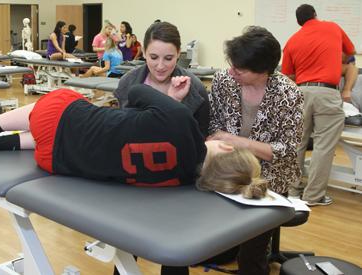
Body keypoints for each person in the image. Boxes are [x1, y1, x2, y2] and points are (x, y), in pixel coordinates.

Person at [0, 82, 266, 199]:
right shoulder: (182, 181)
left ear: (226, 146)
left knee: (64, 99)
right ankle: (4, 144)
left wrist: (171, 99)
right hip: (55, 161)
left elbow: (136, 94)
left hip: (56, 121)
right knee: (66, 133)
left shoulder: (182, 120)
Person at [208, 26, 304, 275]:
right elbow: (213, 126)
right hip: (228, 172)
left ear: (263, 71)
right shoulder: (223, 81)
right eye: (231, 64)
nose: (232, 72)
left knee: (252, 256)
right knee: (218, 238)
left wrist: (236, 141)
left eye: (239, 70)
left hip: (270, 178)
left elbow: (286, 151)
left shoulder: (289, 94)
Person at [282, 4, 356, 206]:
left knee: (298, 143)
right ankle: (313, 196)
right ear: (315, 15)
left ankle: (293, 190)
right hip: (327, 93)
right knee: (323, 146)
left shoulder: (292, 41)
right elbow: (351, 52)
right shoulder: (332, 27)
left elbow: (288, 74)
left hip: (301, 92)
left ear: (299, 22)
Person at [114, 22, 210, 137]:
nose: (160, 66)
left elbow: (200, 139)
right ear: (144, 52)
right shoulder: (127, 82)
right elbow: (123, 131)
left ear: (178, 53)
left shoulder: (196, 88)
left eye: (168, 58)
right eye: (153, 57)